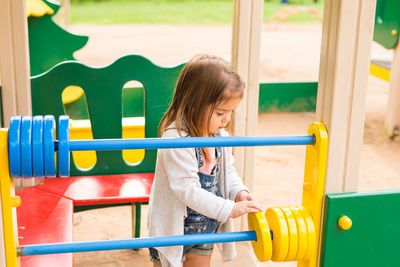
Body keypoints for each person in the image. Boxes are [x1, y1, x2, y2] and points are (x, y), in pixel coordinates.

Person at [147, 54, 263, 267]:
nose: (226, 119)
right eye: (220, 112)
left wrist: (239, 192)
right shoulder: (176, 140)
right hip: (171, 225)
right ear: (195, 104)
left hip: (204, 222)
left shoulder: (219, 138)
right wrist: (228, 209)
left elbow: (227, 174)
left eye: (230, 112)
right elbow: (187, 190)